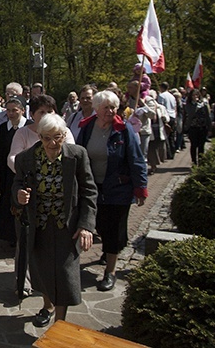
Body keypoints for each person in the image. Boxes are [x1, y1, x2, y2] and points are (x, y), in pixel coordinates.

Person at [12, 114, 97, 327]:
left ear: (65, 135)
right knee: (41, 269)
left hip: (66, 225)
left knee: (65, 273)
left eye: (57, 137)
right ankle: (47, 305)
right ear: (39, 137)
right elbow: (16, 185)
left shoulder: (77, 155)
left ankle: (60, 321)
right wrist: (19, 194)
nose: (52, 143)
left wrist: (86, 225)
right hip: (38, 224)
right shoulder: (26, 159)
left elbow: (89, 191)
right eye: (47, 138)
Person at [77, 90, 147, 292]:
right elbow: (79, 154)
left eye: (113, 107)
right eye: (106, 107)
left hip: (118, 189)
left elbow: (136, 159)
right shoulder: (88, 127)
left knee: (114, 230)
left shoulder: (123, 130)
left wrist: (140, 188)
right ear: (97, 109)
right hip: (92, 188)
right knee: (98, 224)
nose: (110, 111)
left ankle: (110, 271)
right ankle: (109, 251)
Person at [8, 95, 74, 174]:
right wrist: (27, 173)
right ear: (32, 114)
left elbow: (71, 153)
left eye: (49, 111)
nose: (46, 115)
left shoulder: (65, 131)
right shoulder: (22, 133)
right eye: (42, 112)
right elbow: (12, 158)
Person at [0, 98, 27, 246]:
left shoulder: (29, 127)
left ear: (22, 110)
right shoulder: (2, 128)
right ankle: (10, 235)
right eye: (8, 110)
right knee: (8, 203)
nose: (11, 113)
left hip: (25, 173)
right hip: (7, 174)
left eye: (15, 110)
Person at [125, 80, 157, 160]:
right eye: (127, 87)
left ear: (137, 88)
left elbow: (152, 115)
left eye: (130, 88)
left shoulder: (148, 99)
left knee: (142, 156)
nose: (128, 90)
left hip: (143, 131)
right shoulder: (126, 100)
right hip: (130, 131)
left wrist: (143, 104)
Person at [183, 88, 212, 166]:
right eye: (193, 95)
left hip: (202, 127)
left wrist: (209, 128)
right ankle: (194, 161)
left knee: (201, 145)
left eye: (197, 95)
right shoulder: (188, 105)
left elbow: (207, 116)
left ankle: (201, 161)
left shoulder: (204, 104)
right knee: (194, 145)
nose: (195, 96)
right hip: (193, 127)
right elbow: (189, 115)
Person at [147, 89, 169, 174]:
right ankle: (153, 166)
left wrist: (164, 118)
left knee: (160, 148)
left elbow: (167, 117)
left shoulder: (161, 107)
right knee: (151, 149)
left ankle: (157, 163)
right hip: (150, 130)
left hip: (159, 131)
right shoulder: (146, 108)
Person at [157, 82, 177, 158]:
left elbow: (161, 107)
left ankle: (168, 153)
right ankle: (172, 151)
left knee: (165, 135)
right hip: (172, 116)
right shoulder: (172, 96)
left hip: (166, 116)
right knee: (171, 135)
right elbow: (175, 107)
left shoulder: (161, 96)